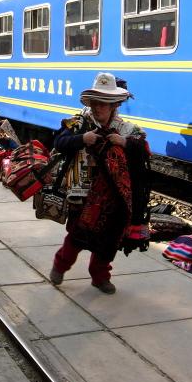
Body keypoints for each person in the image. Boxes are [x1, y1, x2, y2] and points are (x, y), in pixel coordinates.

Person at [49, 73, 150, 294]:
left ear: (114, 105)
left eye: (103, 104)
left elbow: (143, 151)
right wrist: (81, 139)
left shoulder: (127, 131)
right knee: (77, 235)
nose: (97, 109)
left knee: (109, 240)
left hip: (114, 197)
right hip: (83, 194)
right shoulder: (78, 123)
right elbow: (58, 142)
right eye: (95, 103)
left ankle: (100, 276)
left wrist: (124, 143)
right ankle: (60, 265)